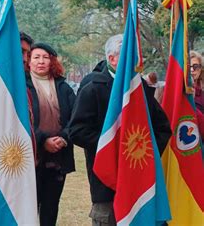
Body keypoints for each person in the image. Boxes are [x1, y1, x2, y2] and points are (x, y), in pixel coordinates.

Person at [68, 34, 171, 225]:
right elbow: (77, 131)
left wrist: (143, 153)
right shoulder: (93, 88)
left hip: (140, 181)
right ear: (112, 58)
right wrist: (114, 147)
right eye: (126, 51)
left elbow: (163, 129)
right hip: (107, 185)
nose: (134, 56)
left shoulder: (141, 89)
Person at [26, 43, 75, 226]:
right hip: (32, 155)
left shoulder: (63, 87)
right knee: (29, 207)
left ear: (52, 61)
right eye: (36, 57)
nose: (41, 61)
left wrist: (63, 137)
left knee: (51, 206)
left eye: (45, 57)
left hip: (59, 156)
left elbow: (76, 117)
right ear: (29, 62)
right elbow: (21, 119)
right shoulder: (23, 85)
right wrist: (42, 140)